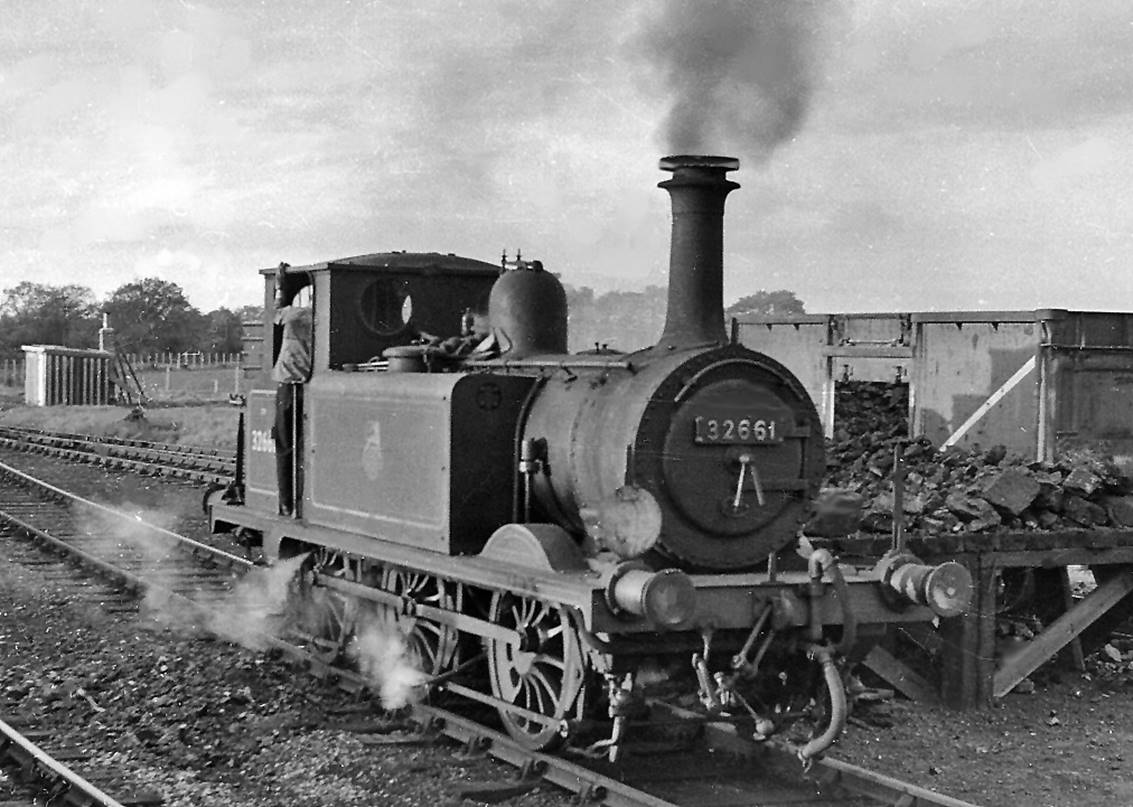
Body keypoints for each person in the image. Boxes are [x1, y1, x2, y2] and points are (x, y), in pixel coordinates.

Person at [271, 263, 312, 516]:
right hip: (310, 386)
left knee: (285, 445)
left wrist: (279, 287)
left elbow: (275, 314)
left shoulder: (296, 316)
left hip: (290, 386)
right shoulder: (321, 319)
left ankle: (286, 502)